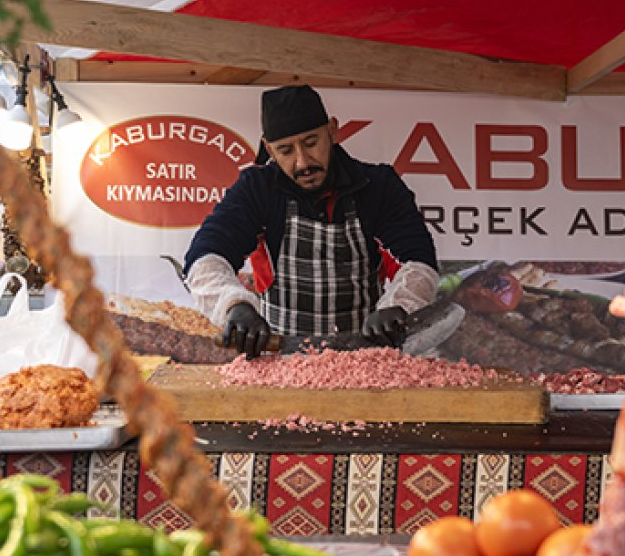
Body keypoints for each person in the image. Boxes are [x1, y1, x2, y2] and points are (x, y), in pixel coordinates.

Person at [184, 85, 439, 358]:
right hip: (280, 355)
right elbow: (205, 256)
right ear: (269, 149)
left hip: (365, 356)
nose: (303, 162)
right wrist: (234, 306)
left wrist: (398, 307)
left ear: (332, 131)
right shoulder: (256, 189)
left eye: (311, 143)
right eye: (285, 151)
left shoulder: (378, 187)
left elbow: (420, 259)